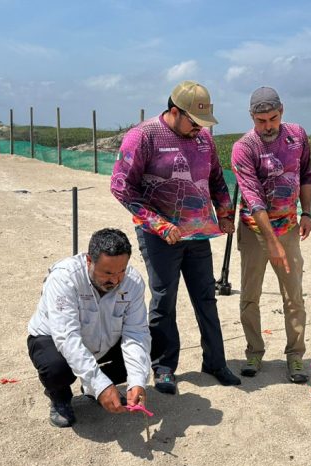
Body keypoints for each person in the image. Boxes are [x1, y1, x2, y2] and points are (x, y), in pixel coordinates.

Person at [110, 80, 241, 394]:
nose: (199, 129)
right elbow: (121, 187)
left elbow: (216, 179)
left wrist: (224, 212)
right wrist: (160, 225)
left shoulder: (204, 139)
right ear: (174, 111)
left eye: (203, 124)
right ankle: (164, 366)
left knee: (206, 297)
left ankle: (215, 361)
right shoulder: (143, 136)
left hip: (198, 234)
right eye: (194, 123)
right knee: (164, 299)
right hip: (160, 236)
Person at [230, 86, 311, 383]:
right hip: (255, 231)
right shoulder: (244, 148)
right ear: (251, 117)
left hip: (289, 227)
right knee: (250, 295)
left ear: (282, 111)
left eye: (273, 118)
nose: (268, 126)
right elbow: (253, 199)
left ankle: (295, 356)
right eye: (261, 120)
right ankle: (254, 350)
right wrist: (272, 243)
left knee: (293, 294)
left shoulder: (297, 136)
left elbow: (305, 173)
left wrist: (306, 213)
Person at [27, 228, 151, 428]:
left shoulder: (133, 282)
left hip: (103, 341)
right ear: (89, 261)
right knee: (55, 368)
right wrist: (100, 384)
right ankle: (60, 397)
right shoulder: (64, 278)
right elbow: (67, 338)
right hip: (54, 339)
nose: (116, 280)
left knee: (154, 341)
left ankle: (94, 388)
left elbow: (136, 333)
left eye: (121, 271)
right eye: (108, 273)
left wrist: (137, 381)